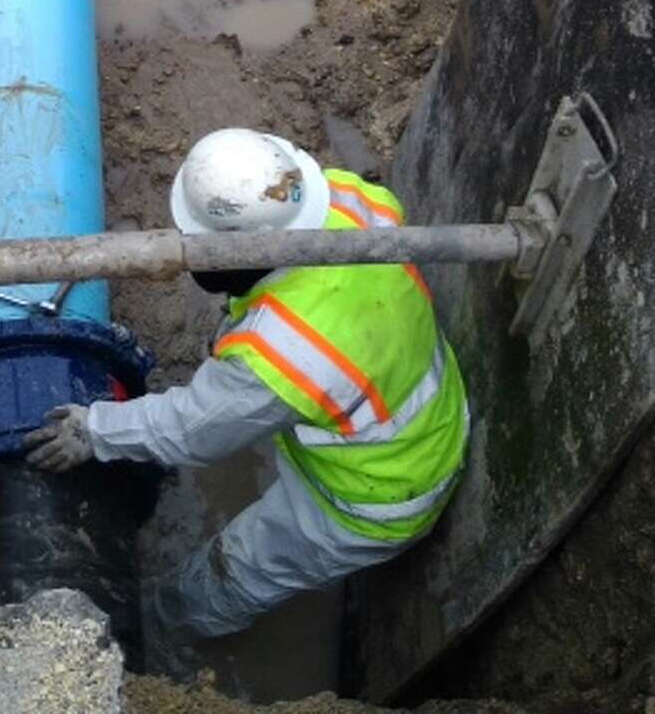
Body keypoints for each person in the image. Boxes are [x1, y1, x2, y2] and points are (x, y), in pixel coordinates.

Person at [25, 127, 470, 637]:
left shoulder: (284, 353)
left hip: (379, 496)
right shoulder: (347, 198)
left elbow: (193, 432)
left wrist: (96, 431)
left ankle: (162, 631)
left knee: (233, 572)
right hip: (429, 416)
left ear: (238, 252)